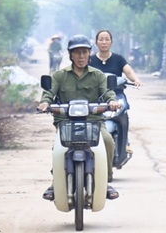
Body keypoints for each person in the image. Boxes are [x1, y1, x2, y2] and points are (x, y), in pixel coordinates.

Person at [41, 36, 125, 201]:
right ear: (70, 55)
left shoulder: (98, 75)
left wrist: (112, 101)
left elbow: (107, 92)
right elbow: (49, 93)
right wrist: (45, 103)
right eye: (77, 53)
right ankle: (55, 182)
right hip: (66, 123)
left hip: (93, 122)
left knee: (108, 141)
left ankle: (105, 181)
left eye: (84, 53)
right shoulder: (60, 75)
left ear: (89, 54)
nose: (81, 56)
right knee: (58, 149)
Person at [89, 28, 142, 167]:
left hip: (117, 95)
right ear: (96, 42)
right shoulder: (91, 60)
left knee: (122, 114)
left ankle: (125, 143)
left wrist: (135, 79)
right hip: (95, 97)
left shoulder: (118, 59)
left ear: (111, 42)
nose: (104, 42)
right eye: (101, 39)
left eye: (107, 39)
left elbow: (128, 71)